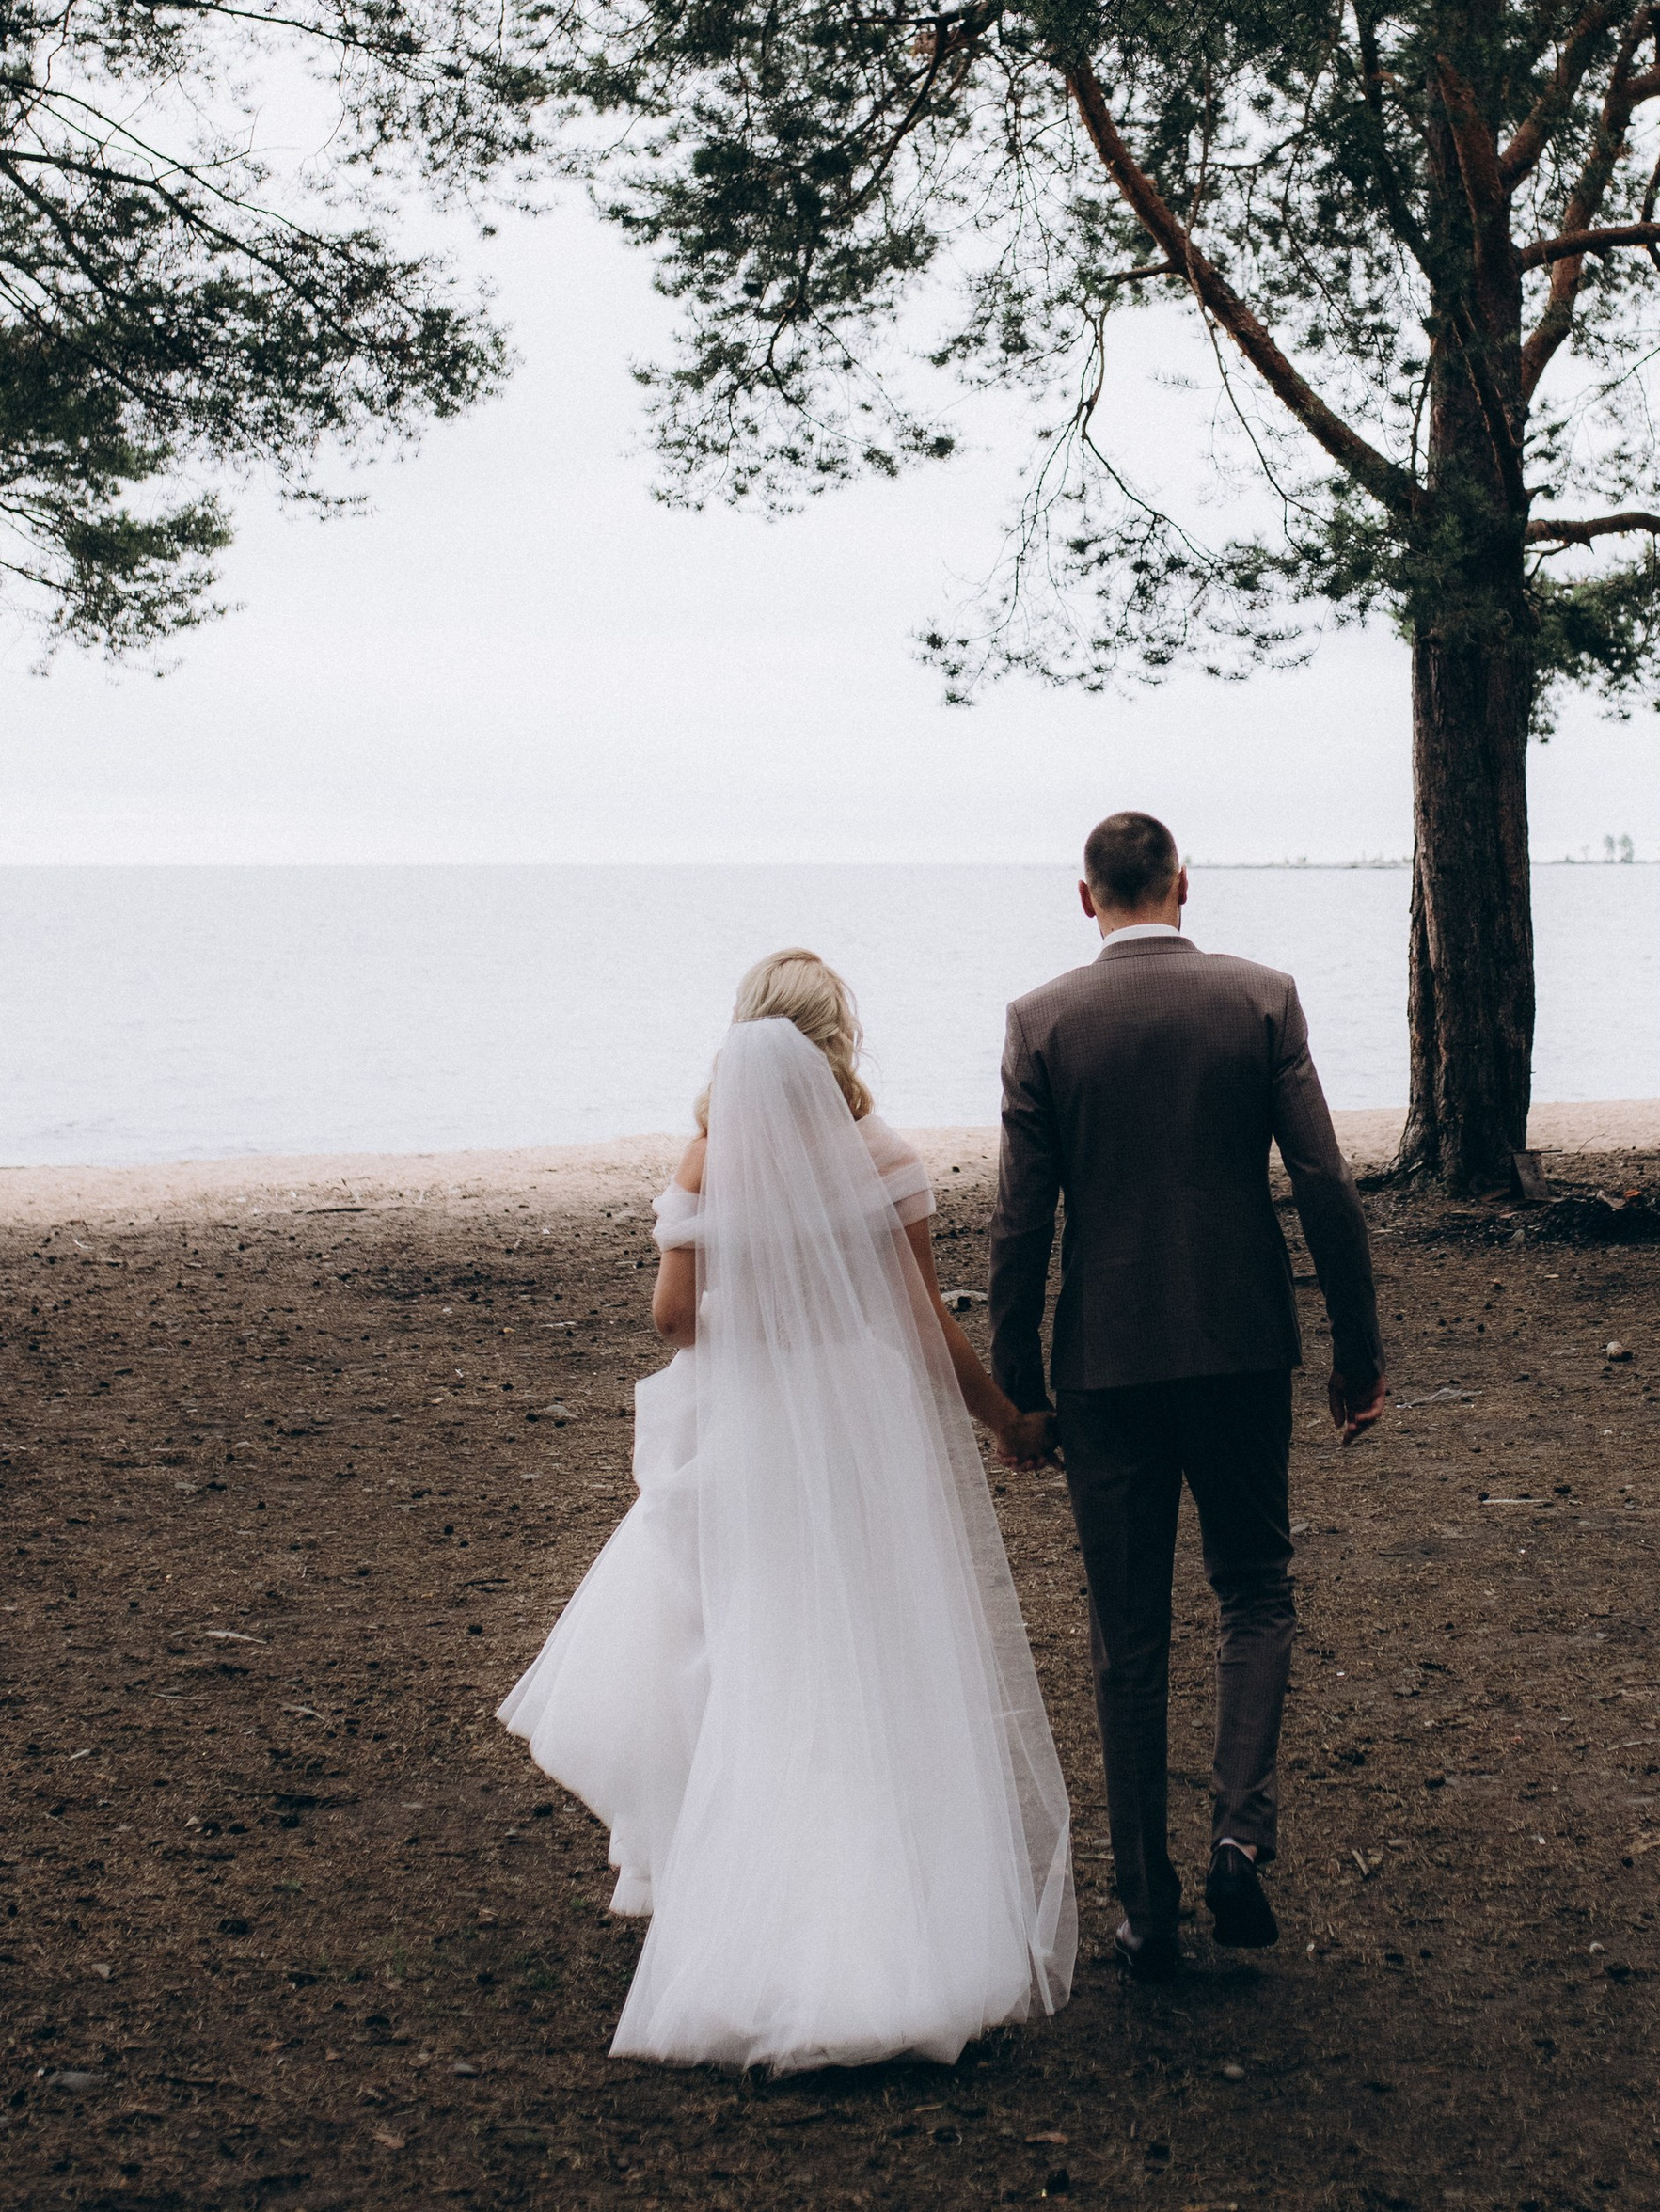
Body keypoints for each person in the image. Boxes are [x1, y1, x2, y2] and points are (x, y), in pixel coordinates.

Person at [498, 949, 1073, 2070]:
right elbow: (919, 1325)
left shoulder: (710, 1160)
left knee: (754, 1656)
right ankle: (891, 1930)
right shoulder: (884, 1155)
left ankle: (748, 1921)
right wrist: (1004, 1420)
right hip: (855, 1425)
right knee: (866, 1656)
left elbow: (672, 1319)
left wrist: (743, 1307)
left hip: (749, 1433)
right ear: (836, 1041)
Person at [989, 812, 1386, 1983]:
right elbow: (1322, 1179)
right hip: (1240, 1346)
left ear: (1085, 899)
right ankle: (1237, 1837)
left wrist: (1015, 1389)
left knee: (1129, 1637)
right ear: (1180, 883)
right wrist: (1355, 1349)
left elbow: (1022, 1221)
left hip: (1103, 1363)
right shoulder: (1259, 999)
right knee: (1256, 1591)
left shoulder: (1041, 1022)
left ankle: (1148, 1912)